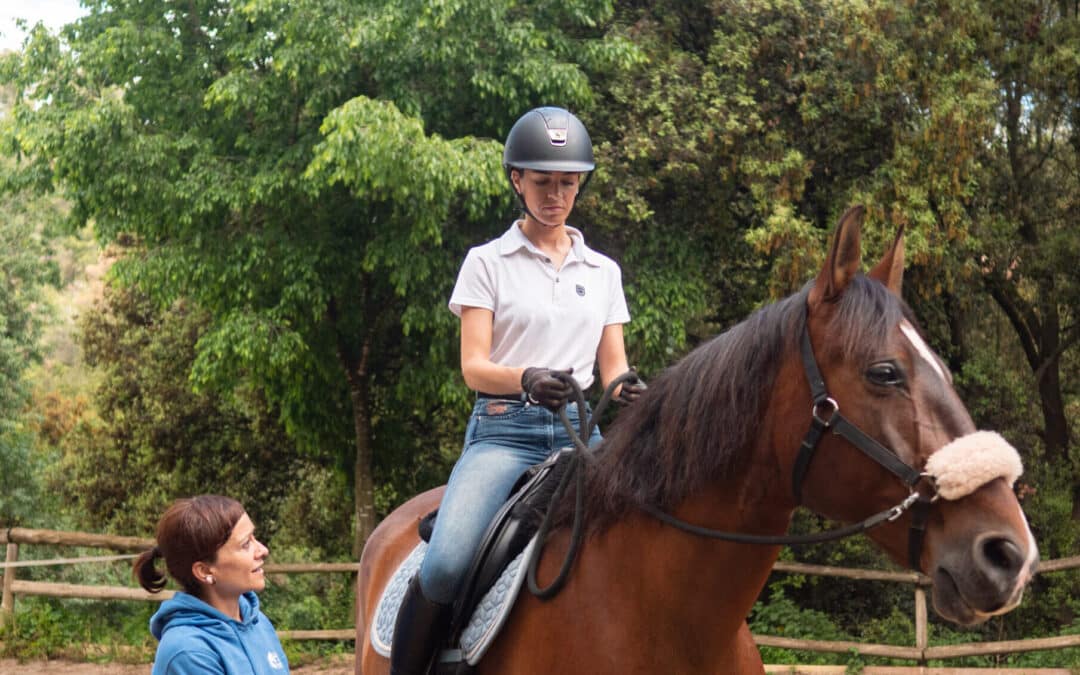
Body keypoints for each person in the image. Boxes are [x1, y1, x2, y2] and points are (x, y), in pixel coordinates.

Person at [389, 106, 644, 674]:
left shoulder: (603, 271)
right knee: (447, 565)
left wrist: (632, 392)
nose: (556, 194)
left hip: (583, 434)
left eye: (568, 183)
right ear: (516, 180)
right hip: (504, 431)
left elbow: (613, 368)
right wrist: (527, 377)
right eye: (544, 181)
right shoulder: (487, 263)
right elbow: (475, 367)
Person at [133, 495, 289, 675]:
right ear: (205, 571)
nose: (263, 550)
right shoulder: (189, 652)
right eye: (246, 544)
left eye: (255, 538)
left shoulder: (258, 623)